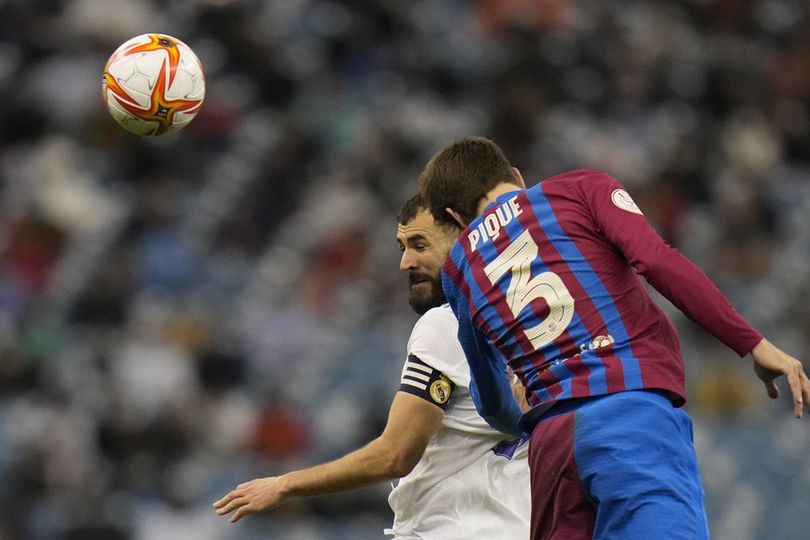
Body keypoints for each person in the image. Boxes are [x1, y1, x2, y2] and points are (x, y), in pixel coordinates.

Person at [417, 136, 810, 540]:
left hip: (551, 450)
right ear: (515, 176)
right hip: (629, 418)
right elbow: (656, 260)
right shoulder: (579, 189)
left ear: (456, 218)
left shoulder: (458, 271)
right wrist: (752, 343)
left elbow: (493, 401)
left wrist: (526, 420)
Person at [213, 194, 531, 539]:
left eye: (420, 244)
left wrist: (284, 484)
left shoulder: (446, 324)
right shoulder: (535, 328)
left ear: (461, 242)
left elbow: (396, 454)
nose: (406, 262)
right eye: (402, 248)